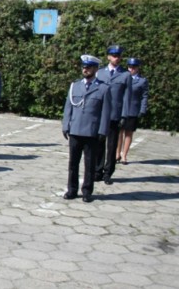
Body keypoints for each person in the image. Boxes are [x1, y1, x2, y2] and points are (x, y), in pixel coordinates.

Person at [62, 55, 111, 203]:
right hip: (75, 130)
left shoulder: (103, 88)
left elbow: (106, 112)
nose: (85, 69)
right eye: (83, 67)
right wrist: (66, 126)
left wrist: (103, 130)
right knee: (73, 163)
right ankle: (72, 190)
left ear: (95, 69)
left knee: (90, 164)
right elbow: (68, 108)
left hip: (91, 131)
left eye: (88, 67)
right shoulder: (75, 86)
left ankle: (87, 191)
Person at [94, 45, 132, 185]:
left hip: (115, 115)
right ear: (108, 57)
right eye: (114, 56)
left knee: (112, 146)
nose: (117, 58)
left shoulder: (125, 75)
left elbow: (127, 97)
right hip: (100, 114)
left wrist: (124, 115)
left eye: (119, 56)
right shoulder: (100, 72)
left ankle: (108, 173)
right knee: (98, 144)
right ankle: (97, 171)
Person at [117, 57, 148, 165]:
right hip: (121, 109)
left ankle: (124, 155)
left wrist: (143, 109)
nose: (131, 69)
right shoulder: (123, 77)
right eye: (129, 67)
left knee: (128, 133)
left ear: (138, 68)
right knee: (119, 132)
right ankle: (117, 154)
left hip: (132, 109)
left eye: (134, 67)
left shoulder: (142, 81)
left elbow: (144, 96)